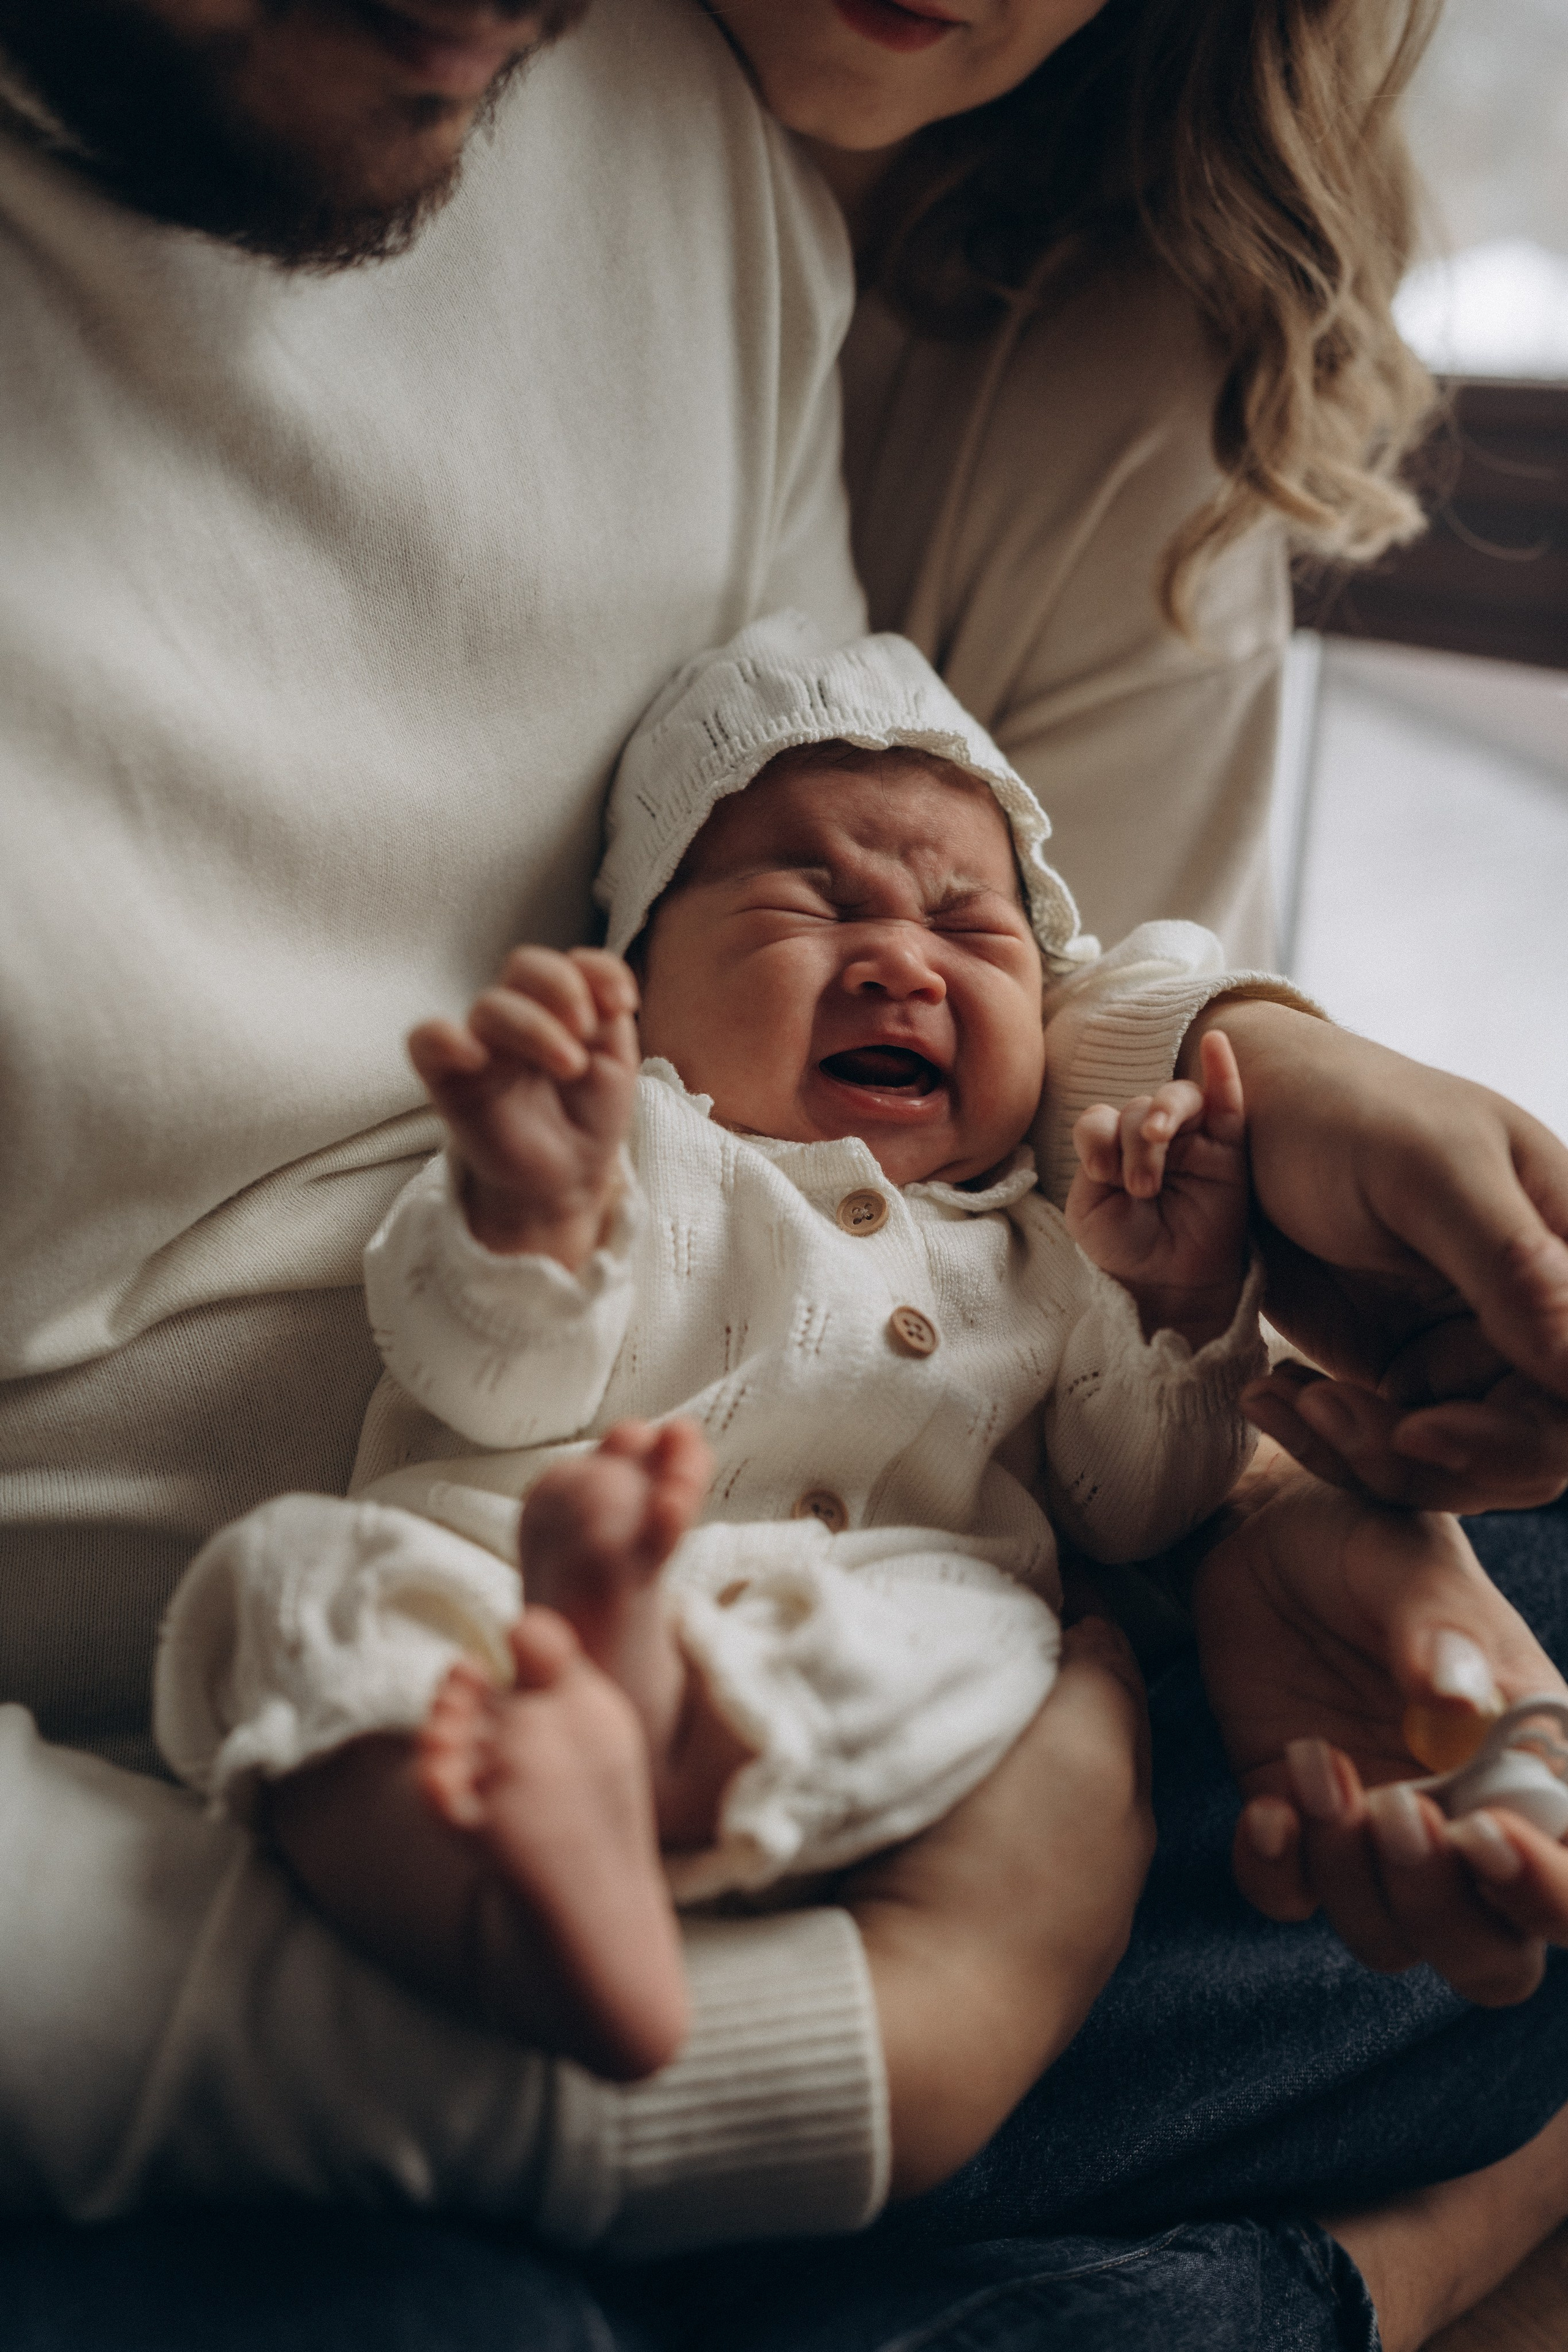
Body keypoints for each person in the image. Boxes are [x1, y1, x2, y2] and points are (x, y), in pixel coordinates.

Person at [2, 0, 1568, 2346]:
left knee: (1488, 1748)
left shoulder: (659, 136)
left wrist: (1224, 1099)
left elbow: (839, 852)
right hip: (270, 1801)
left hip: (864, 1698)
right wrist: (875, 2048)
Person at [153, 621, 1262, 2103]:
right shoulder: (620, 1153)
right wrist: (531, 1218)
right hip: (512, 1598)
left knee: (998, 1655)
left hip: (850, 1643)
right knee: (285, 1590)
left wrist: (1181, 1301)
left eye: (969, 929)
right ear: (643, 975)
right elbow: (487, 1379)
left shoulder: (1045, 1244)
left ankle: (656, 1768)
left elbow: (1136, 1507)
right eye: (815, 904)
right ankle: (513, 1897)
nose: (900, 963)